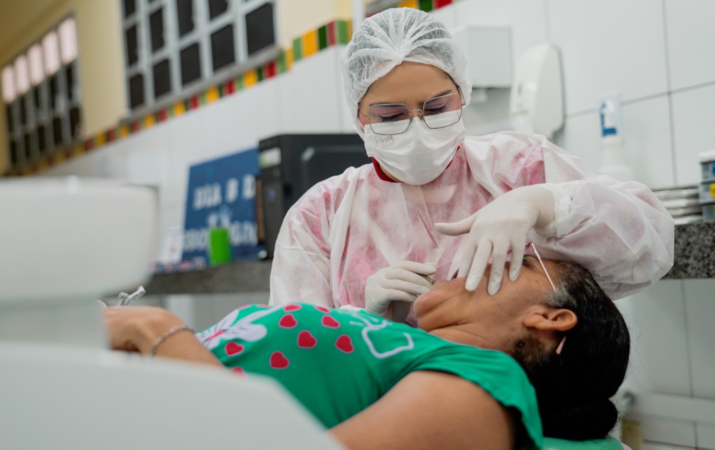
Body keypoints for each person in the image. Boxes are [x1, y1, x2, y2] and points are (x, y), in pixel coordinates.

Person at [267, 7, 673, 322]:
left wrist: (543, 204)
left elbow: (649, 247)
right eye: (390, 116)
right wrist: (362, 321)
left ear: (462, 95)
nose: (417, 128)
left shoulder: (517, 165)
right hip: (392, 403)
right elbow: (298, 353)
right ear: (359, 118)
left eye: (437, 107)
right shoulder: (320, 217)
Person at [104, 252, 630, 449]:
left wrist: (157, 332)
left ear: (551, 318)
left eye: (521, 260)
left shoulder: (488, 383)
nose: (481, 255)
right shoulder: (404, 352)